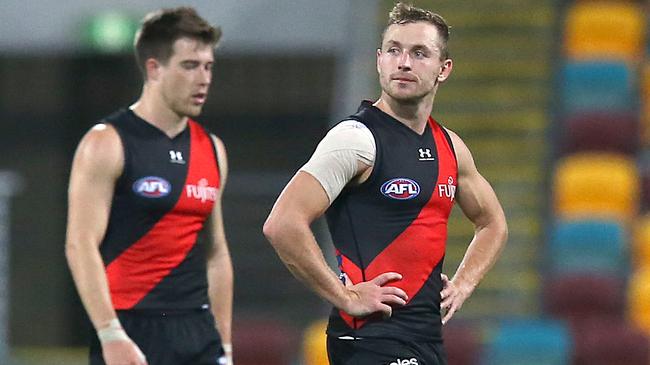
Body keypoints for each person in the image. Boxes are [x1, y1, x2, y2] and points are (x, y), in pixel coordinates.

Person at [263, 2, 507, 364]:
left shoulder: (451, 148)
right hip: (368, 338)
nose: (403, 62)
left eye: (419, 53)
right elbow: (282, 223)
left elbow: (492, 223)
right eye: (394, 50)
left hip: (425, 338)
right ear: (379, 60)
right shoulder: (355, 139)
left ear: (444, 69)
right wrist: (344, 296)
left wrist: (464, 283)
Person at [65, 7, 233, 365]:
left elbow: (217, 254)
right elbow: (80, 246)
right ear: (154, 68)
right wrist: (110, 334)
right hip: (132, 328)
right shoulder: (107, 143)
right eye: (190, 66)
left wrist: (226, 346)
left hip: (198, 330)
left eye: (208, 66)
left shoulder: (212, 148)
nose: (203, 79)